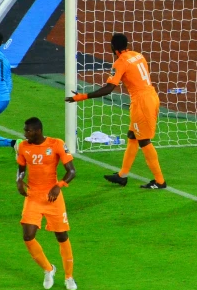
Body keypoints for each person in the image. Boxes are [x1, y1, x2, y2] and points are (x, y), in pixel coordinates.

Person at [65, 33, 167, 190]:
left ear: (113, 47)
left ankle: (160, 181)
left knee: (144, 140)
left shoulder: (120, 63)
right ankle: (122, 176)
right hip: (151, 96)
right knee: (132, 135)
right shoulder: (138, 55)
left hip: (142, 103)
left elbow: (108, 89)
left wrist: (82, 97)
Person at [16, 117, 77, 290]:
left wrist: (59, 186)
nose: (25, 133)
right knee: (28, 236)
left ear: (37, 131)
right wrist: (19, 181)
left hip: (52, 198)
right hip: (33, 196)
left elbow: (72, 171)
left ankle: (69, 277)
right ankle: (48, 269)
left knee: (61, 237)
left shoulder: (56, 144)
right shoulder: (23, 147)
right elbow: (20, 169)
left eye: (27, 131)